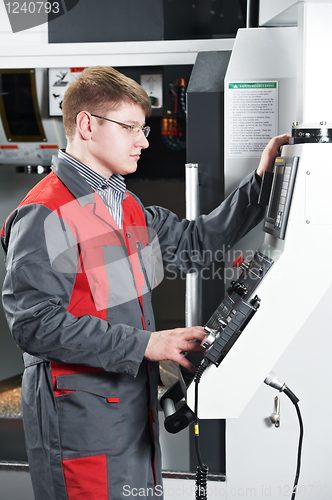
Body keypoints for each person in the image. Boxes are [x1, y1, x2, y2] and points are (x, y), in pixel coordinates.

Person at [1, 66, 289, 500]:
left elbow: (194, 243)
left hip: (132, 415)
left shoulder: (127, 207)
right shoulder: (47, 211)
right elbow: (35, 325)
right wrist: (147, 345)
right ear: (87, 125)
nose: (144, 140)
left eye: (144, 128)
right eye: (131, 127)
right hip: (80, 424)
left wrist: (263, 184)